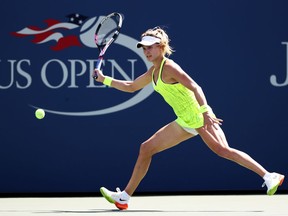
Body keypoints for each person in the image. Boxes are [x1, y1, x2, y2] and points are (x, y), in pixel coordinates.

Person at [92, 26, 285, 210]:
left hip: (199, 117)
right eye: (144, 48)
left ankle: (269, 176)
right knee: (146, 148)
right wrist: (104, 79)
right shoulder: (153, 71)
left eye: (150, 47)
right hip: (184, 120)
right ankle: (124, 197)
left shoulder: (170, 67)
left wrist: (206, 111)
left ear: (161, 47)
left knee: (223, 150)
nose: (146, 51)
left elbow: (195, 86)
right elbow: (131, 86)